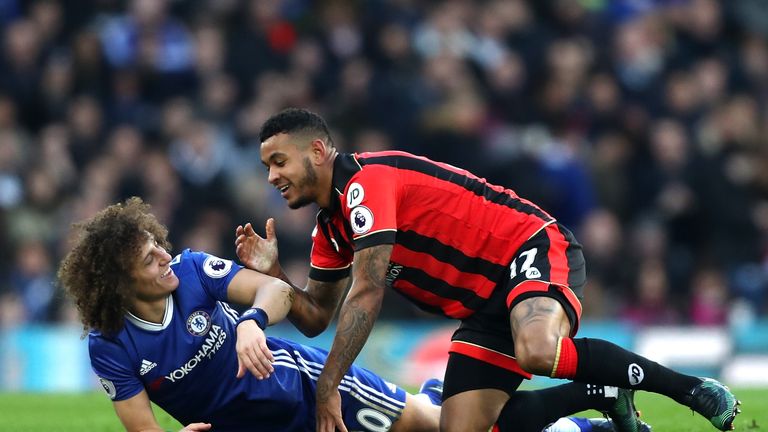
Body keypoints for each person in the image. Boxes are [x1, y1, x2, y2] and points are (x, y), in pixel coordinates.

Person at [241, 107, 740, 432]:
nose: (272, 177)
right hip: (483, 307)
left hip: (528, 247)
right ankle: (602, 400)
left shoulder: (366, 185)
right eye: (267, 167)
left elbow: (368, 292)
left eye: (279, 161)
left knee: (539, 348)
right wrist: (275, 276)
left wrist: (329, 387)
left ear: (318, 151)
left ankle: (691, 390)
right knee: (460, 430)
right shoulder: (331, 230)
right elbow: (315, 318)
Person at [56, 197, 443, 432]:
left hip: (300, 389)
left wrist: (251, 321)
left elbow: (273, 289)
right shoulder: (109, 345)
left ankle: (437, 395)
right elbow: (142, 426)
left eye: (157, 243)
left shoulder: (191, 271)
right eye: (149, 259)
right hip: (241, 427)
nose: (163, 256)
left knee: (426, 426)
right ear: (121, 284)